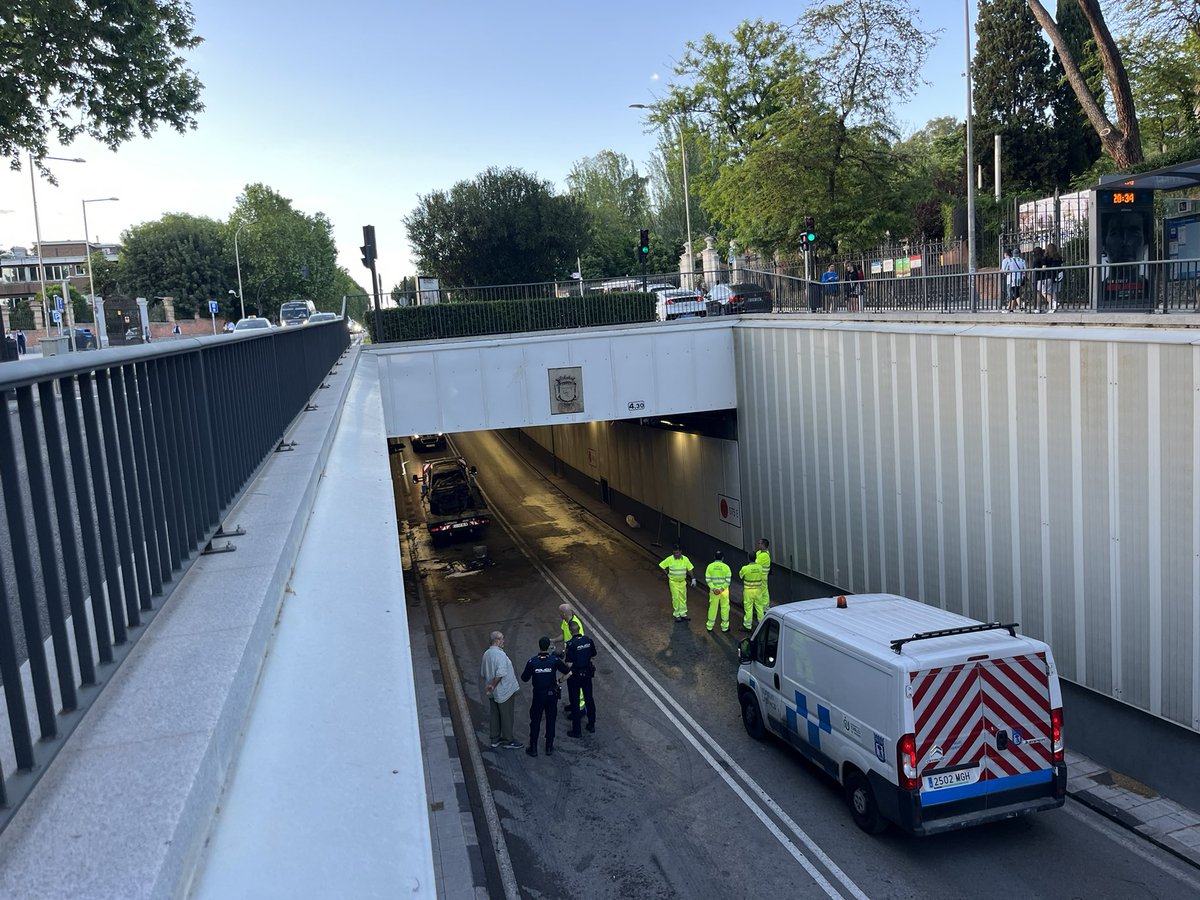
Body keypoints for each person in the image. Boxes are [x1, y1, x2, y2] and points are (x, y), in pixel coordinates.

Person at [520, 636, 569, 757]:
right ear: (548, 647)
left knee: (535, 721)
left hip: (538, 695)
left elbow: (524, 678)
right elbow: (567, 671)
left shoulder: (532, 662)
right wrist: (558, 681)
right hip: (551, 695)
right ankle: (549, 747)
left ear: (539, 646)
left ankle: (533, 748)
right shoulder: (554, 660)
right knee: (551, 720)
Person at [480, 631, 523, 750]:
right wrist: (493, 685)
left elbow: (483, 673)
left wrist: (490, 686)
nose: (504, 641)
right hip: (504, 691)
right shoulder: (500, 655)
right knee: (506, 715)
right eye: (502, 639)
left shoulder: (486, 654)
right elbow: (501, 673)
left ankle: (495, 739)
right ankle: (508, 740)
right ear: (497, 641)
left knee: (495, 714)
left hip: (492, 693)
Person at [564, 620, 598, 737]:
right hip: (587, 673)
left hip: (575, 676)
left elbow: (569, 664)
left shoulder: (571, 644)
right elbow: (593, 654)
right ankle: (591, 724)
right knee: (589, 699)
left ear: (570, 631)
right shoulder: (588, 640)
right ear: (579, 629)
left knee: (575, 701)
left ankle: (577, 730)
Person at [558, 604, 585, 713]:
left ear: (564, 613)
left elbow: (579, 643)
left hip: (575, 660)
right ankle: (573, 703)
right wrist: (552, 640)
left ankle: (580, 708)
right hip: (569, 655)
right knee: (571, 685)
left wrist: (570, 663)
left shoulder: (575, 624)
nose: (559, 614)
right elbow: (564, 636)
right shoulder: (565, 622)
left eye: (560, 613)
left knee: (577, 685)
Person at [659, 544, 696, 622]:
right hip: (673, 582)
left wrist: (693, 578)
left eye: (677, 553)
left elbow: (690, 569)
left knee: (683, 597)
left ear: (680, 552)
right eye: (674, 553)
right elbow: (662, 565)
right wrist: (667, 573)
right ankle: (677, 614)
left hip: (682, 582)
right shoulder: (670, 559)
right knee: (675, 598)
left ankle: (683, 613)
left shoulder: (685, 559)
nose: (676, 554)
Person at [703, 550, 733, 633]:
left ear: (714, 557)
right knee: (725, 608)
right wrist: (721, 589)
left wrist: (714, 589)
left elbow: (708, 579)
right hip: (724, 592)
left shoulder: (710, 566)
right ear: (722, 558)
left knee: (713, 608)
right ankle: (725, 627)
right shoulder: (726, 567)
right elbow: (728, 581)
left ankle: (709, 626)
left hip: (714, 592)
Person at [739, 554, 766, 631]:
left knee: (748, 608)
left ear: (748, 558)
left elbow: (740, 576)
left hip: (748, 591)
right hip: (758, 591)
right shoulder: (760, 567)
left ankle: (747, 626)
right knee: (760, 607)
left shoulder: (745, 568)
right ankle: (761, 624)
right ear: (756, 558)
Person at [1038, 243, 1063, 313]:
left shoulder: (1046, 257)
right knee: (1053, 291)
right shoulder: (1058, 257)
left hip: (1049, 275)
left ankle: (1053, 303)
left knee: (1044, 292)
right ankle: (1052, 308)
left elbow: (1044, 267)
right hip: (1057, 276)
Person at [1001, 247, 1026, 313]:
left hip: (1012, 279)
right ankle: (1011, 308)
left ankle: (1021, 306)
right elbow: (1025, 270)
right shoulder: (1022, 260)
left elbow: (1006, 270)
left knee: (1015, 292)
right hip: (1020, 278)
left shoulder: (1010, 260)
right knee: (1014, 292)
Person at [755, 538, 772, 612]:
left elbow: (755, 563)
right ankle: (762, 606)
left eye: (759, 543)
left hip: (763, 576)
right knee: (761, 591)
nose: (758, 544)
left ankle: (765, 607)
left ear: (763, 545)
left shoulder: (764, 555)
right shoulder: (760, 552)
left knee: (763, 592)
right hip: (760, 576)